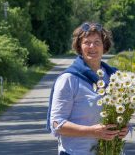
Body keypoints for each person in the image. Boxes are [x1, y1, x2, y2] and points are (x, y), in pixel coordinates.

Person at [47, 22, 129, 155]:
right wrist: (92, 131)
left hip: (112, 151)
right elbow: (57, 124)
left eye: (97, 42)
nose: (92, 46)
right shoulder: (69, 79)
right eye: (87, 42)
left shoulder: (115, 77)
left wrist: (124, 127)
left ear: (104, 46)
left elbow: (121, 113)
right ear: (79, 46)